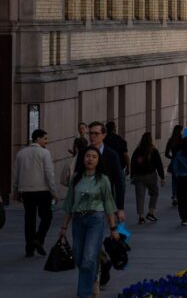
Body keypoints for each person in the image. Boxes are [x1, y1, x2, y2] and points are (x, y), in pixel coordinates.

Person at [59, 148, 120, 298]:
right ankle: (93, 279)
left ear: (98, 160)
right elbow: (69, 203)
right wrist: (63, 227)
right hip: (78, 220)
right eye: (87, 156)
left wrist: (113, 228)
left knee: (88, 258)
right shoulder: (75, 178)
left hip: (96, 220)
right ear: (83, 159)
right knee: (78, 256)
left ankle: (84, 294)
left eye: (94, 157)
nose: (90, 159)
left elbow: (109, 204)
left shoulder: (103, 179)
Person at [12, 128, 59, 257]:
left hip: (26, 190)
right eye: (45, 138)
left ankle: (29, 248)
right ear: (38, 138)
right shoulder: (44, 153)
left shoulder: (21, 153)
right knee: (47, 217)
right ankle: (38, 239)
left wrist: (15, 189)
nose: (46, 141)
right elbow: (49, 174)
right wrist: (54, 191)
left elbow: (16, 173)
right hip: (43, 190)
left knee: (29, 218)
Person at [75, 121, 126, 223]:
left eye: (96, 134)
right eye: (90, 133)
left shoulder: (112, 155)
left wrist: (120, 208)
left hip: (104, 203)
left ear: (104, 135)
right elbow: (77, 177)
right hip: (85, 204)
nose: (92, 136)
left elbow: (119, 182)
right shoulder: (83, 154)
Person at [129, 131, 164, 224]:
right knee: (154, 193)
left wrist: (132, 175)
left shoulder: (138, 150)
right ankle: (151, 212)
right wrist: (162, 177)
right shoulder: (154, 151)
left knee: (140, 196)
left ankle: (141, 216)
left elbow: (133, 163)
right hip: (151, 175)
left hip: (139, 176)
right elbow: (159, 164)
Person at [164, 124, 184, 207]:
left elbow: (166, 153)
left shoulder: (171, 140)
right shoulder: (182, 140)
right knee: (181, 179)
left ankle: (174, 196)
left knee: (174, 180)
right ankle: (180, 196)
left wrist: (172, 157)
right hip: (182, 161)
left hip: (174, 160)